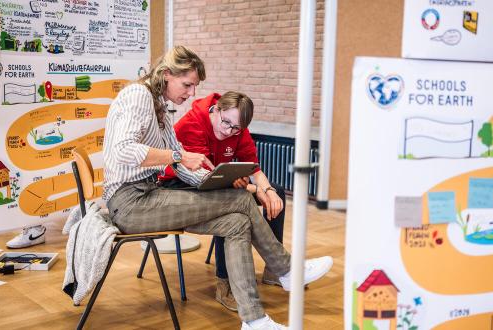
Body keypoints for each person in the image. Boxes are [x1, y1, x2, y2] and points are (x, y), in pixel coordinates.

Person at [102, 45, 333, 330]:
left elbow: (184, 165)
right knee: (240, 199)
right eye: (187, 84)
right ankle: (286, 270)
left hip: (146, 195)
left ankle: (254, 320)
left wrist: (210, 181)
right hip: (130, 203)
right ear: (165, 75)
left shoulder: (160, 107)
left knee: (236, 222)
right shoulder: (139, 96)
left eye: (194, 86)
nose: (190, 93)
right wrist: (178, 156)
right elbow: (122, 150)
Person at [160, 91, 286, 312]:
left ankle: (274, 271)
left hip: (217, 180)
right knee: (230, 210)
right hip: (178, 184)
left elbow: (253, 166)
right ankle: (224, 284)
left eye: (236, 128)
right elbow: (204, 176)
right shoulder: (192, 124)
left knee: (278, 192)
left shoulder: (238, 125)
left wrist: (267, 190)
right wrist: (253, 188)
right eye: (226, 123)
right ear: (216, 110)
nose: (229, 131)